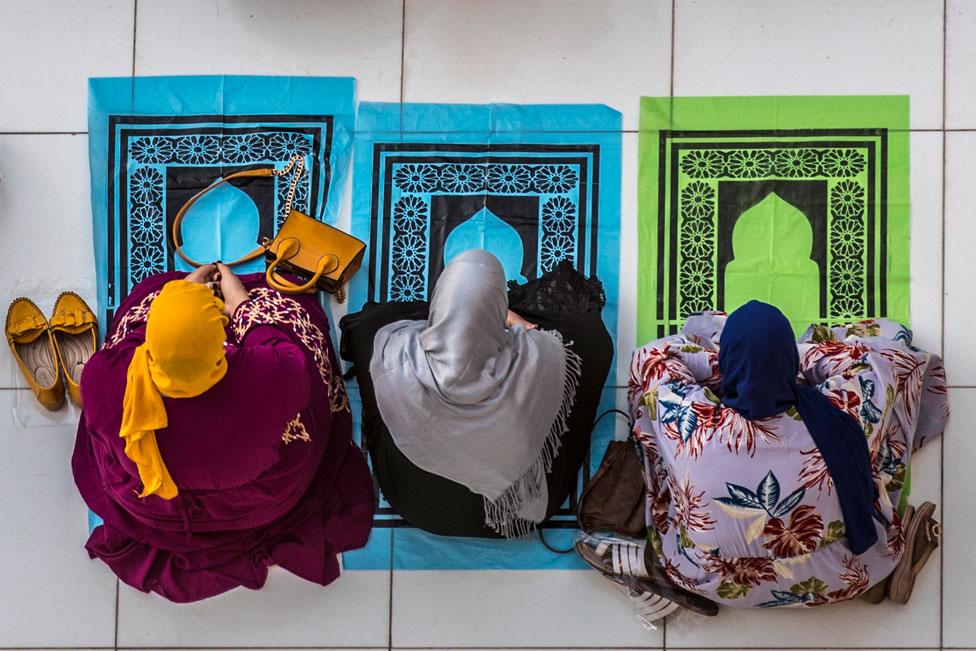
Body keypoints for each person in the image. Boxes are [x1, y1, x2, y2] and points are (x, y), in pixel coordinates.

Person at [72, 263, 375, 603]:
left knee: (137, 307)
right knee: (293, 319)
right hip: (258, 504)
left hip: (153, 508)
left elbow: (135, 336)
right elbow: (281, 342)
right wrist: (240, 303)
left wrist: (175, 303)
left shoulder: (103, 377)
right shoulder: (272, 376)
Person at [617, 301, 947, 608]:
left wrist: (719, 363)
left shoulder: (692, 423)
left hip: (709, 580)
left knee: (663, 447)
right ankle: (877, 572)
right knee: (876, 426)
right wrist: (801, 359)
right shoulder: (841, 410)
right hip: (844, 573)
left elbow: (654, 358)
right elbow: (888, 360)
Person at [340, 250, 613, 538]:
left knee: (383, 385)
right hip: (520, 515)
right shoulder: (540, 363)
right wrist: (508, 320)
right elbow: (590, 339)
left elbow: (366, 320)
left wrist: (458, 314)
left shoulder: (393, 353)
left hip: (419, 509)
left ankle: (465, 309)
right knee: (578, 339)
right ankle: (474, 310)